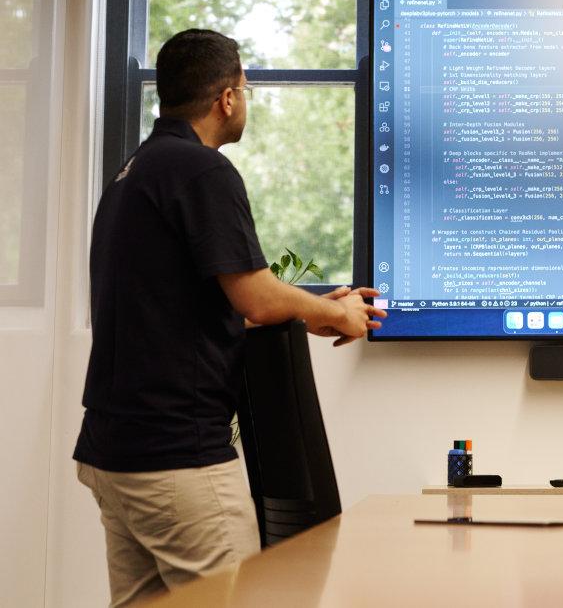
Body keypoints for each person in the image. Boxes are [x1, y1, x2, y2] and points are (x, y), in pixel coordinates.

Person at [74, 29, 385, 607]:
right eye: (246, 87)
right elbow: (258, 298)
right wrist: (338, 314)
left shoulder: (134, 173)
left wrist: (313, 315)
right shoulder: (202, 171)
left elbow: (172, 311)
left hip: (114, 453)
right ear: (227, 98)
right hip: (178, 459)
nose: (245, 99)